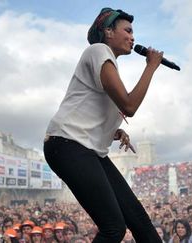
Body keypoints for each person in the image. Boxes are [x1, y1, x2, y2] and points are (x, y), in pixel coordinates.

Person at [43, 7, 163, 243]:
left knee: (140, 221)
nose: (132, 37)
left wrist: (114, 131)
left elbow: (91, 113)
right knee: (113, 228)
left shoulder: (108, 67)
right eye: (127, 31)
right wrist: (151, 66)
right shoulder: (98, 51)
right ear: (108, 31)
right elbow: (129, 106)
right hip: (67, 145)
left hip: (86, 148)